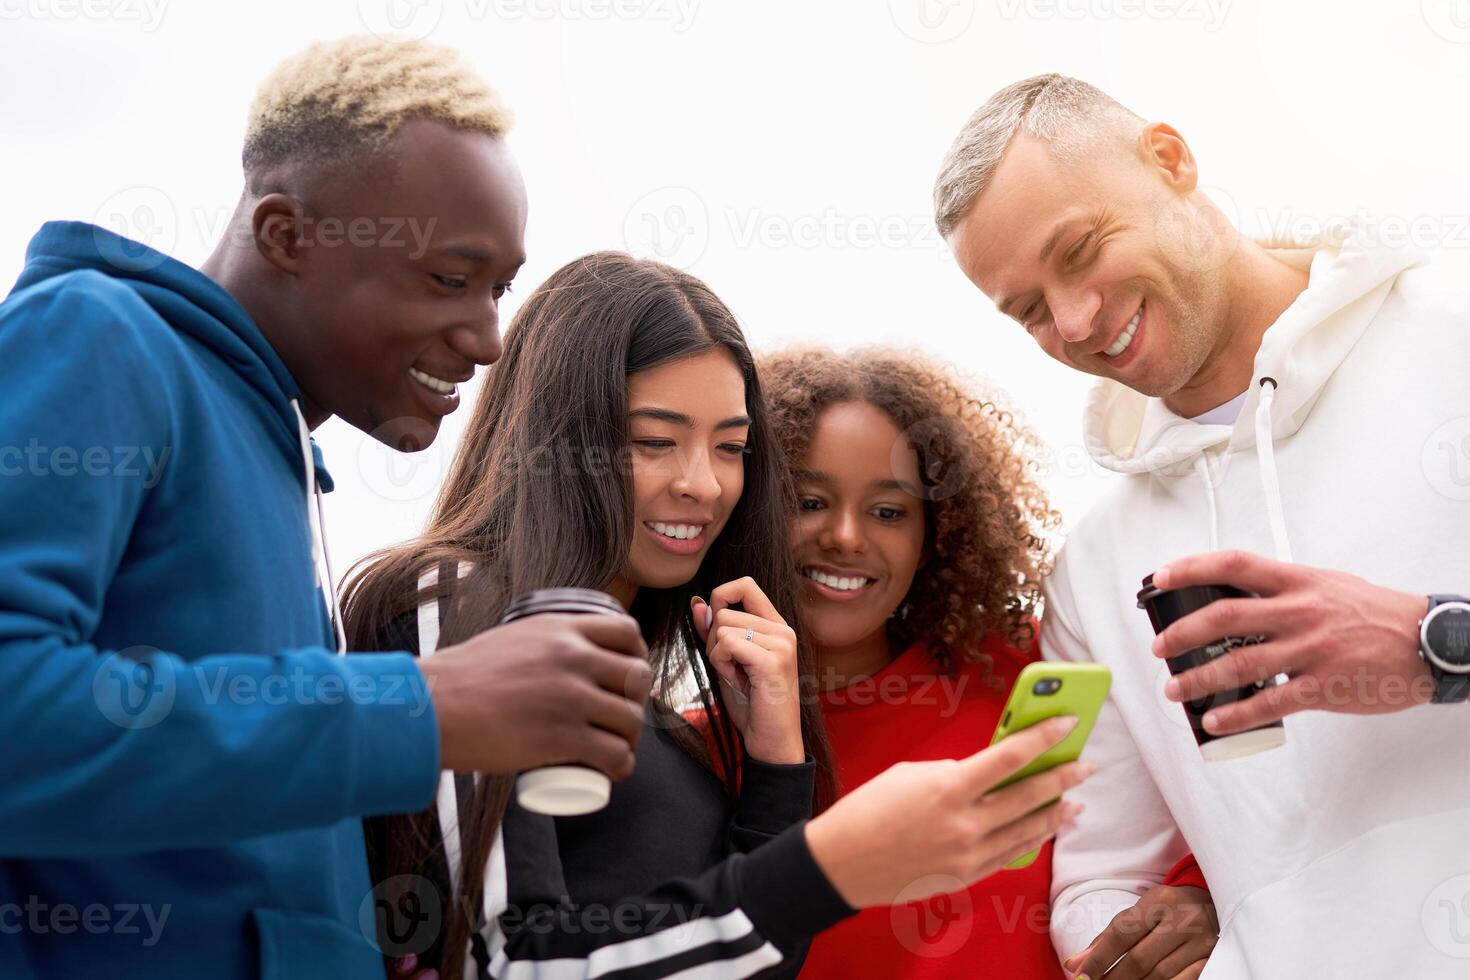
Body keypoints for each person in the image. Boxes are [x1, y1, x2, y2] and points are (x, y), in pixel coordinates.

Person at [0, 36, 654, 979]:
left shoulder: (282, 456)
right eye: (447, 279)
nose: (487, 339)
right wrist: (427, 705)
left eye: (500, 288)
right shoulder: (100, 338)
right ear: (287, 235)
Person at [343, 252, 1097, 980]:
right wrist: (834, 863)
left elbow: (740, 961)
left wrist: (775, 769)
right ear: (558, 441)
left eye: (731, 448)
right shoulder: (456, 597)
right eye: (654, 442)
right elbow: (499, 963)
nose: (703, 484)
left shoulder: (668, 718)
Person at [933, 73, 1470, 977]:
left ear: (1171, 161)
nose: (1073, 322)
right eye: (1027, 312)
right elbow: (1092, 879)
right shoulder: (1093, 570)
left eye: (1080, 249)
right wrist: (1158, 950)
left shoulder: (1450, 340)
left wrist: (1433, 645)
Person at [760, 347, 1216, 979]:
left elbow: (1234, 787)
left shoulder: (1037, 670)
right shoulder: (702, 753)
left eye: (888, 512)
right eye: (808, 502)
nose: (845, 536)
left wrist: (1201, 891)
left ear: (935, 534)